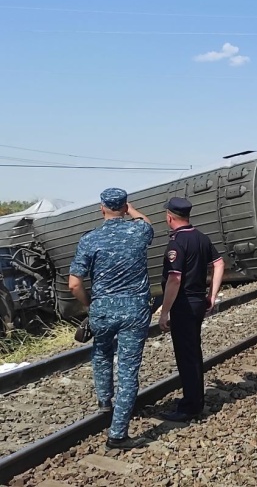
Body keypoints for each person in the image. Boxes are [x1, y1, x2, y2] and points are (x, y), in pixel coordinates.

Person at [68, 188, 154, 451]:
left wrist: (89, 304)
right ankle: (118, 434)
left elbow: (74, 284)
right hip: (134, 310)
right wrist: (132, 210)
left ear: (101, 207)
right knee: (128, 370)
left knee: (102, 354)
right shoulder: (139, 231)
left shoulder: (90, 240)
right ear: (125, 206)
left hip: (102, 310)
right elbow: (147, 222)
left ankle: (105, 401)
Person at [157, 197, 224, 422]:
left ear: (170, 217)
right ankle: (193, 399)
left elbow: (174, 279)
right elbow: (219, 263)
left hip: (183, 305)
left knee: (187, 356)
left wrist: (165, 311)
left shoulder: (176, 244)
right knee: (193, 351)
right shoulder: (201, 238)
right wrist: (211, 296)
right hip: (197, 302)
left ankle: (190, 406)